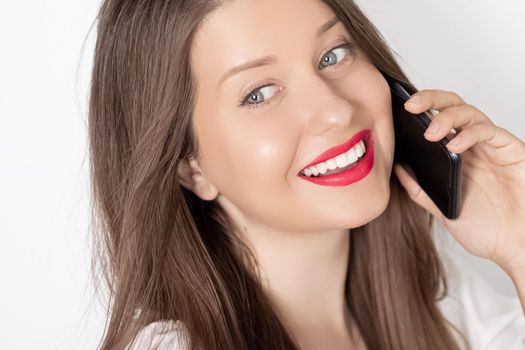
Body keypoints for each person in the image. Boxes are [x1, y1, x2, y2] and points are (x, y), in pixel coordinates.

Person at [86, 0, 525, 349]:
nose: (336, 110)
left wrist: (517, 236)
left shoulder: (441, 299)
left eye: (334, 54)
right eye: (259, 93)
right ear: (190, 168)